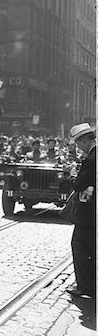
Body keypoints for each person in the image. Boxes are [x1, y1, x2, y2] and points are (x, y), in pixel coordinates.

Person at [66, 123, 96, 299]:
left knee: (79, 246)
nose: (77, 147)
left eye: (78, 143)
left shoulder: (91, 159)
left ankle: (85, 287)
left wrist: (72, 174)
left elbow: (78, 184)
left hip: (89, 215)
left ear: (85, 140)